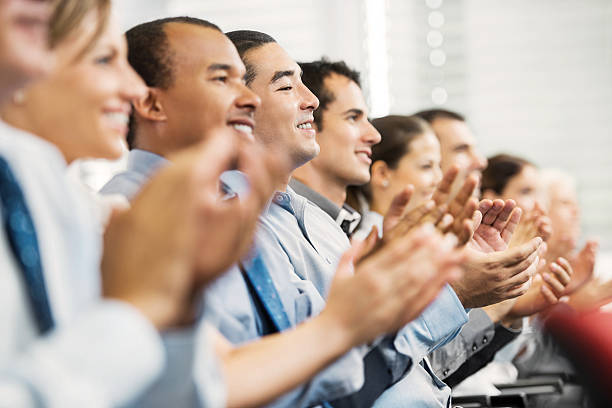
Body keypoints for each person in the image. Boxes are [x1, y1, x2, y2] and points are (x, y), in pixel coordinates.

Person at [101, 17, 462, 407]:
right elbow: (220, 384)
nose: (249, 100)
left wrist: (381, 287)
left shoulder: (237, 214)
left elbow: (321, 351)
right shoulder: (120, 220)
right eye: (223, 80)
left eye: (244, 81)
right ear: (153, 103)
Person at [0, 1, 262, 406]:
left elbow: (176, 394)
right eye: (104, 59)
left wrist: (180, 306)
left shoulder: (64, 199)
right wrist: (138, 313)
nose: (134, 89)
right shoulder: (120, 212)